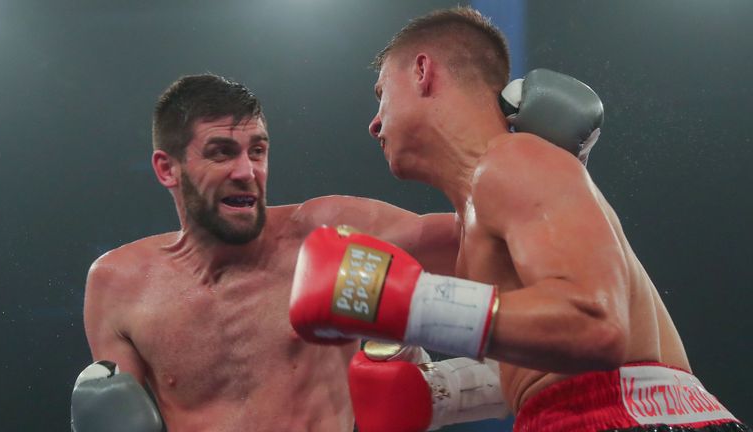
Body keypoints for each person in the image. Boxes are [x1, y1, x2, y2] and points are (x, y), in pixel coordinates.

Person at [288, 7, 750, 432]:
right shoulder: (476, 222)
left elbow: (594, 325)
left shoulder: (514, 160)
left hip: (627, 415)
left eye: (381, 94)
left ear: (423, 72)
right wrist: (441, 393)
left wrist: (410, 306)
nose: (374, 122)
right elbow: (554, 358)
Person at [70, 71, 598, 432]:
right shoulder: (117, 283)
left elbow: (483, 236)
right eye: (221, 152)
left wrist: (553, 164)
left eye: (257, 150)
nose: (246, 171)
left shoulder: (329, 232)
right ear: (167, 169)